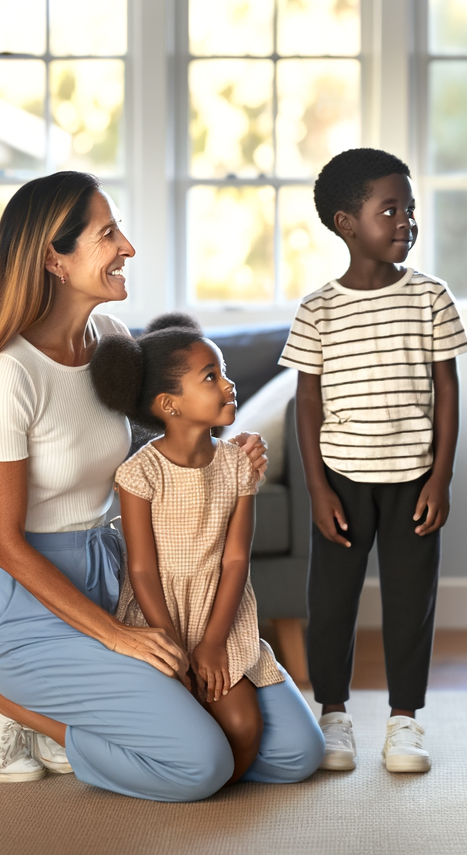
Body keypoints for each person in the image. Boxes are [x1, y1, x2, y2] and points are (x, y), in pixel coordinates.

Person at [0, 170, 323, 800]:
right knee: (201, 766)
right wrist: (117, 637)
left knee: (293, 753)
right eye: (108, 234)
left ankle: (104, 716)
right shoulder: (10, 375)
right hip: (35, 608)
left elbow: (178, 432)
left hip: (120, 579)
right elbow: (4, 543)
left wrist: (234, 455)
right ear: (53, 260)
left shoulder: (113, 343)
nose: (128, 248)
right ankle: (9, 702)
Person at [278, 148, 467, 775]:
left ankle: (404, 721)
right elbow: (308, 403)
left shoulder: (431, 298)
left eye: (410, 209)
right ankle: (332, 716)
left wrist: (440, 477)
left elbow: (447, 389)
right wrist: (317, 488)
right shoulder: (318, 310)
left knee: (411, 603)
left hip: (414, 479)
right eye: (389, 210)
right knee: (330, 605)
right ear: (345, 222)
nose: (405, 222)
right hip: (342, 478)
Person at [95, 313, 312, 786]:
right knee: (208, 730)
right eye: (211, 377)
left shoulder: (238, 464)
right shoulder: (139, 473)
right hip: (159, 618)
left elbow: (236, 560)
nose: (229, 384)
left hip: (219, 614)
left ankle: (203, 775)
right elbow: (142, 570)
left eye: (224, 371)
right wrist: (174, 647)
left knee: (257, 732)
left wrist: (212, 643)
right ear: (169, 405)